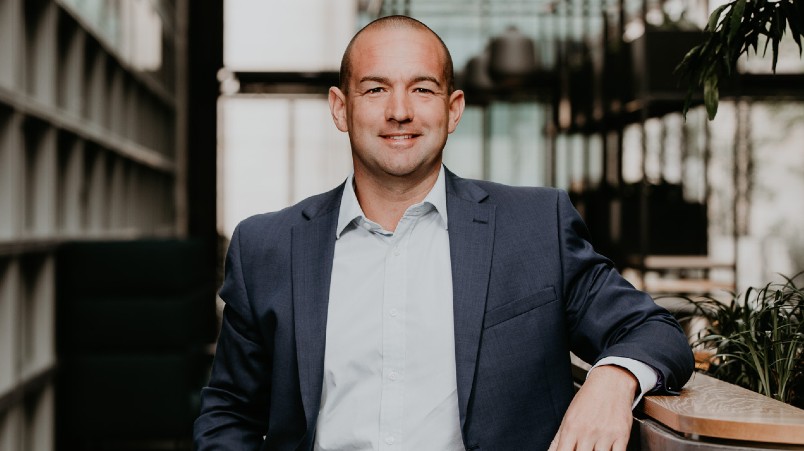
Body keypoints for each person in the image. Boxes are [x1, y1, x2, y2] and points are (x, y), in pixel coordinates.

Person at [194, 15, 694, 451]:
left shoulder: (535, 226)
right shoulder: (267, 247)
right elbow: (231, 412)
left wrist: (613, 378)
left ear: (453, 108)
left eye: (422, 89)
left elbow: (655, 332)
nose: (399, 111)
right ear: (340, 108)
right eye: (375, 89)